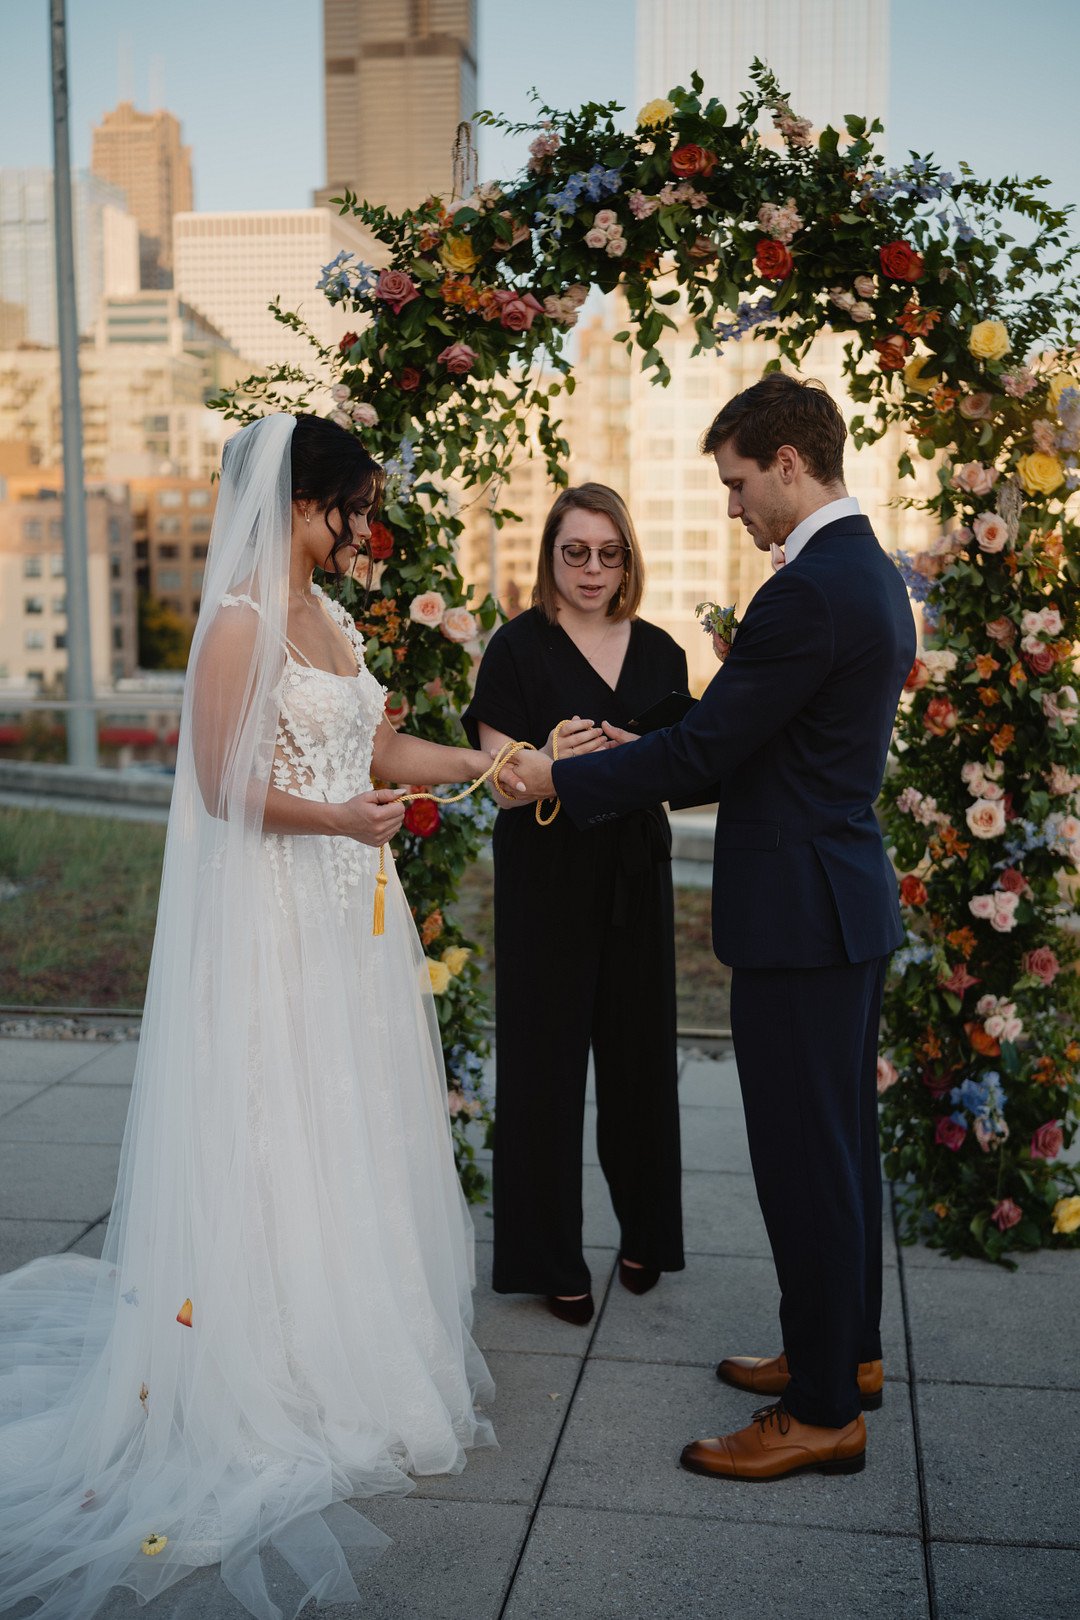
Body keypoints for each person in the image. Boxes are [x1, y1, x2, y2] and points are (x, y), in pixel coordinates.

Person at [0, 414, 499, 1619]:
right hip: (281, 911)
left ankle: (357, 1339)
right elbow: (222, 784)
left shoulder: (331, 619)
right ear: (301, 504)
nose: (359, 529)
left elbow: (374, 742)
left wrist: (496, 765)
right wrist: (340, 821)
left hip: (349, 917)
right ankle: (276, 1361)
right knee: (283, 1121)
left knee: (353, 1120)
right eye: (348, 510)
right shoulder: (237, 626)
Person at [507, 377, 917, 1478]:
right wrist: (637, 742)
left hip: (801, 915)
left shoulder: (808, 591)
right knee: (835, 1153)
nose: (734, 505)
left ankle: (825, 1411)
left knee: (803, 1161)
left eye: (738, 482)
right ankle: (845, 1353)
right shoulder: (862, 572)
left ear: (789, 462)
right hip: (836, 903)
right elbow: (747, 735)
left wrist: (563, 773)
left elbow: (707, 752)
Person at [462, 484, 687, 1325]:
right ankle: (548, 1256)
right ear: (550, 554)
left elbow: (686, 766)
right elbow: (502, 786)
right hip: (544, 880)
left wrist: (648, 761)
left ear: (628, 559)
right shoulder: (516, 650)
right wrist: (550, 759)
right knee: (542, 1073)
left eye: (610, 553)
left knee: (640, 1067)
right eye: (576, 551)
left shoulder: (662, 652)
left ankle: (646, 1236)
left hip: (636, 874)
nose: (593, 569)